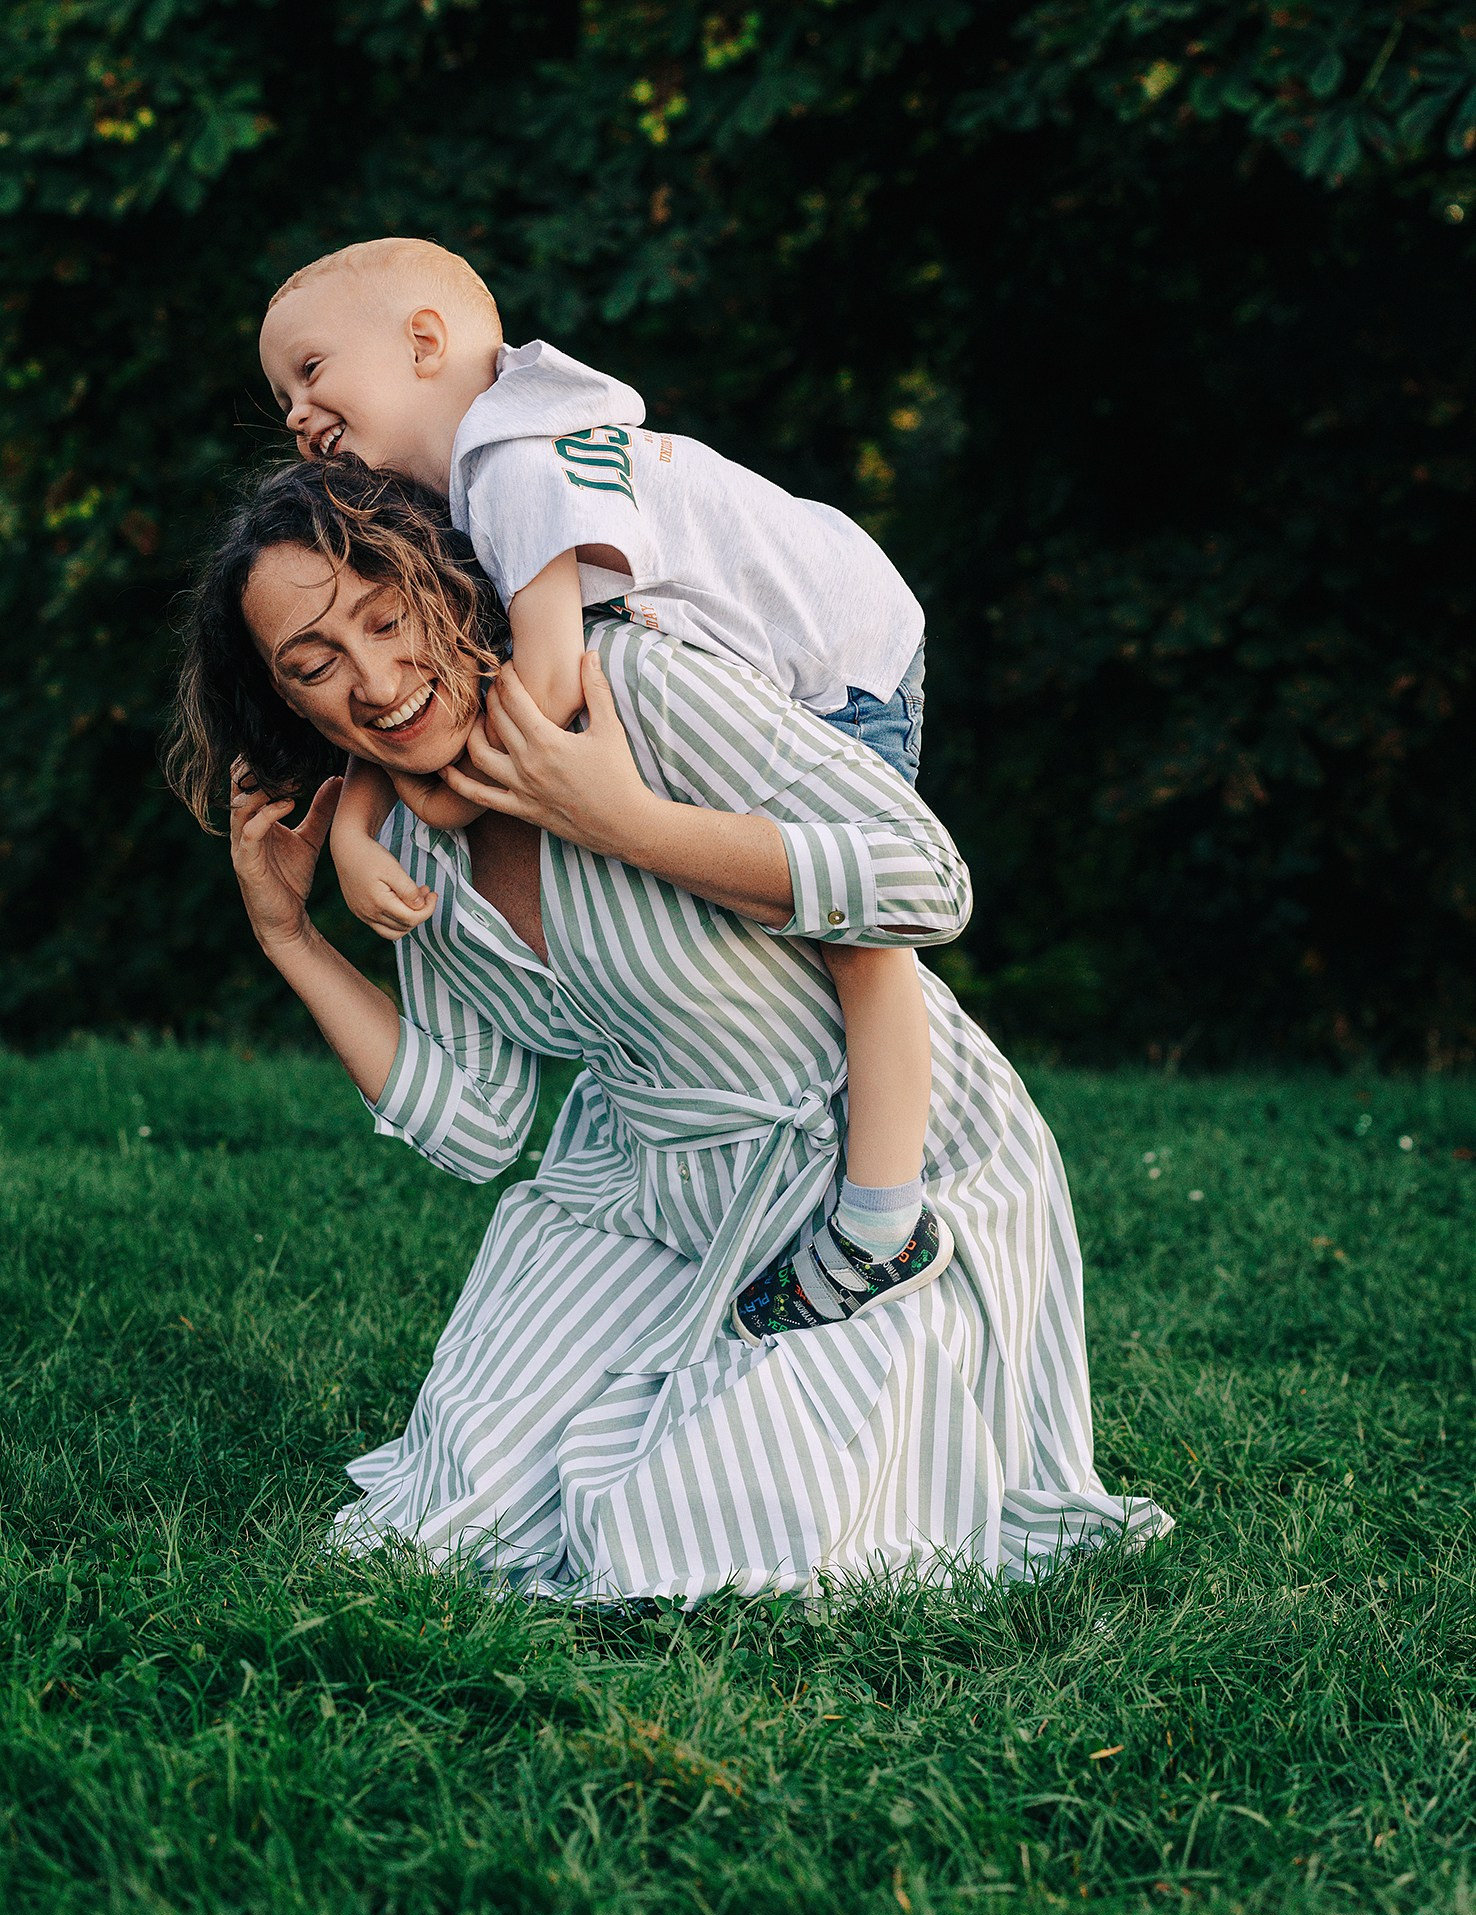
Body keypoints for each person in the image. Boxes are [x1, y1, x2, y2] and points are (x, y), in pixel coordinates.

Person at [165, 455, 1171, 1603]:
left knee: (703, 1533)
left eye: (388, 619)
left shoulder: (634, 682)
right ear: (288, 703)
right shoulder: (401, 840)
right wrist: (289, 935)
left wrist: (624, 821)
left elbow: (924, 880)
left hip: (876, 1173)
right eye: (315, 664)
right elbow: (483, 1127)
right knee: (451, 1518)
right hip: (642, 1190)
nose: (377, 678)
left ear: (452, 581)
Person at [256, 236, 940, 1341]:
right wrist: (356, 828)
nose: (295, 412)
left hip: (839, 654)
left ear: (424, 342)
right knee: (801, 917)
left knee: (860, 933)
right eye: (282, 392)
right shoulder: (476, 481)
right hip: (803, 636)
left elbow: (547, 680)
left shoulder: (517, 465)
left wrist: (439, 803)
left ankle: (881, 1220)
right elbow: (423, 690)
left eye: (311, 370)